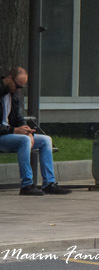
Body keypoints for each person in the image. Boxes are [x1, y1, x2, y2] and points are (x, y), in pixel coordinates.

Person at [0, 67, 71, 196]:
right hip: (3, 135)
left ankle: (49, 183)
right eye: (17, 86)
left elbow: (19, 118)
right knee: (24, 140)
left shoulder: (13, 95)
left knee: (45, 140)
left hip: (9, 134)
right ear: (9, 78)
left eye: (21, 87)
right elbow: (13, 127)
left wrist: (28, 131)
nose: (18, 90)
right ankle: (26, 184)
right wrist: (15, 130)